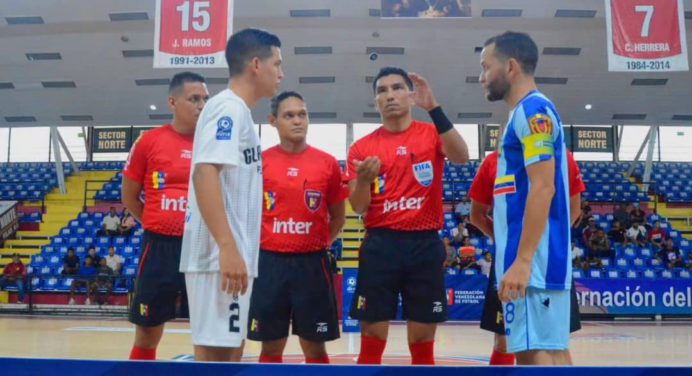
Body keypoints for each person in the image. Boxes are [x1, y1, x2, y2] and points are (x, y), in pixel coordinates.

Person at [347, 66, 469, 365]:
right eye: (382, 91)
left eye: (397, 88)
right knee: (372, 334)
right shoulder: (362, 148)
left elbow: (462, 156)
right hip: (380, 245)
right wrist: (363, 180)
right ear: (375, 101)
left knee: (422, 337)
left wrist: (434, 109)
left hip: (424, 245)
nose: (389, 95)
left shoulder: (431, 134)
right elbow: (358, 206)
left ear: (411, 95)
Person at [180, 28, 283, 362]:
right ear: (256, 64)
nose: (281, 73)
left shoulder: (238, 112)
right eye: (277, 64)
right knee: (217, 359)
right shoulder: (228, 108)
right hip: (217, 258)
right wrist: (227, 247)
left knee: (228, 355)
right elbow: (204, 172)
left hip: (228, 258)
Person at [479, 31, 572, 365]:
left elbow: (544, 187)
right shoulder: (529, 112)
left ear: (511, 67)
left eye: (486, 67)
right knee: (551, 349)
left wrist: (522, 260)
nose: (481, 78)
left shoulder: (532, 112)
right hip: (538, 258)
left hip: (534, 260)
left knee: (534, 352)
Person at [247, 91, 345, 364]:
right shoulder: (258, 162)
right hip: (270, 264)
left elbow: (338, 217)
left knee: (315, 349)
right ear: (273, 121)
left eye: (302, 114)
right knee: (270, 349)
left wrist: (319, 242)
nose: (297, 120)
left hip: (312, 265)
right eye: (289, 115)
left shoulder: (327, 163)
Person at [121, 71, 209, 361]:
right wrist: (155, 222)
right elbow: (129, 196)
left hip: (204, 249)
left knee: (209, 333)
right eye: (193, 98)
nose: (201, 105)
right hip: (159, 247)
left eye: (205, 99)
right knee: (147, 332)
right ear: (172, 102)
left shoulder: (216, 143)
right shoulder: (149, 142)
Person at [468, 148, 585, 365]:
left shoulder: (561, 156)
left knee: (553, 342)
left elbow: (574, 209)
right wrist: (507, 241)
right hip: (509, 262)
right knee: (505, 340)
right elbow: (476, 215)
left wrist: (545, 241)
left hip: (549, 262)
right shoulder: (494, 161)